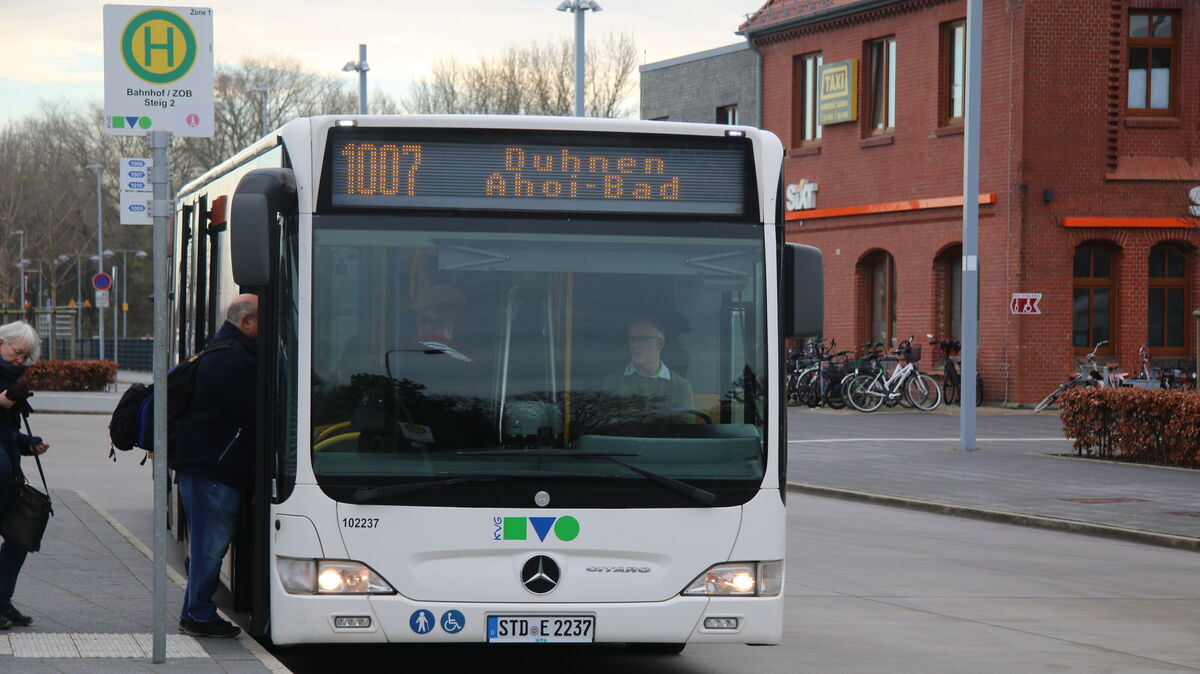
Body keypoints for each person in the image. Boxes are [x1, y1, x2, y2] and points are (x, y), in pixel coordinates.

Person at [174, 294, 258, 638]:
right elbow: (254, 412)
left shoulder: (222, 349)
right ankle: (199, 614)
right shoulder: (233, 360)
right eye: (263, 321)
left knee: (207, 544)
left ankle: (193, 611)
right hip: (214, 470)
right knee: (211, 546)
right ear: (247, 323)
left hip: (204, 466)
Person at [0, 321, 48, 629]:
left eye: (25, 357)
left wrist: (28, 444)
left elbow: (7, 433)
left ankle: (2, 600)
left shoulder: (12, 381)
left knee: (19, 539)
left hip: (8, 475)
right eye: (18, 353)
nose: (20, 360)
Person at [602, 317, 694, 412]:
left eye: (642, 339)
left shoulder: (680, 386)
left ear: (660, 343)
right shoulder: (614, 382)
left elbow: (683, 425)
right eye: (632, 339)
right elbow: (609, 423)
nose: (634, 344)